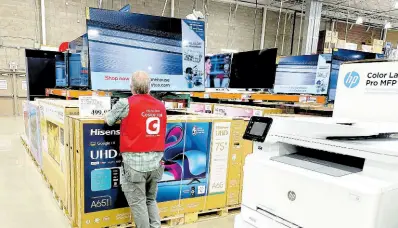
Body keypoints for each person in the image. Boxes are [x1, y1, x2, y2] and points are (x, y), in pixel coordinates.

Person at [105, 71, 167, 228]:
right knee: (150, 200)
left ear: (131, 86)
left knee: (139, 203)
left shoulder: (125, 103)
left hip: (134, 166)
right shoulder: (161, 106)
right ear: (149, 87)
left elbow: (109, 120)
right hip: (156, 164)